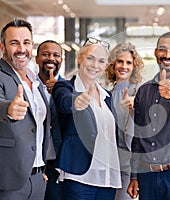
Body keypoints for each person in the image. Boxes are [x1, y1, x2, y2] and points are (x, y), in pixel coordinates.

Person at [127, 32, 170, 200]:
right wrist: (135, 175)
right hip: (147, 177)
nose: (167, 55)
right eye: (163, 50)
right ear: (155, 53)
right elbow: (138, 137)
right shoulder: (143, 91)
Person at [52, 37, 121, 200]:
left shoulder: (107, 97)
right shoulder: (65, 87)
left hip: (107, 179)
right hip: (78, 177)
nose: (95, 65)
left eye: (101, 61)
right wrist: (76, 102)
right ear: (79, 58)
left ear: (105, 66)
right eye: (90, 58)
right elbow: (64, 101)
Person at [0, 18, 51, 199]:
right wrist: (8, 109)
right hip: (7, 182)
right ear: (2, 47)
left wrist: (40, 171)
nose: (21, 49)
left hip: (37, 179)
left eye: (26, 42)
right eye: (14, 43)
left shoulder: (35, 80)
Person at [105, 42, 144, 200]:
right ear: (113, 65)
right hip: (110, 162)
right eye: (120, 61)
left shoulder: (140, 91)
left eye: (128, 63)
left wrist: (137, 103)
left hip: (130, 163)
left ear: (134, 66)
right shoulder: (107, 93)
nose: (124, 66)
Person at [35, 40, 64, 200]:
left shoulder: (70, 88)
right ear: (37, 59)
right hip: (33, 163)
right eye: (45, 54)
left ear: (62, 60)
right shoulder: (28, 86)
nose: (51, 58)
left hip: (58, 163)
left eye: (56, 55)